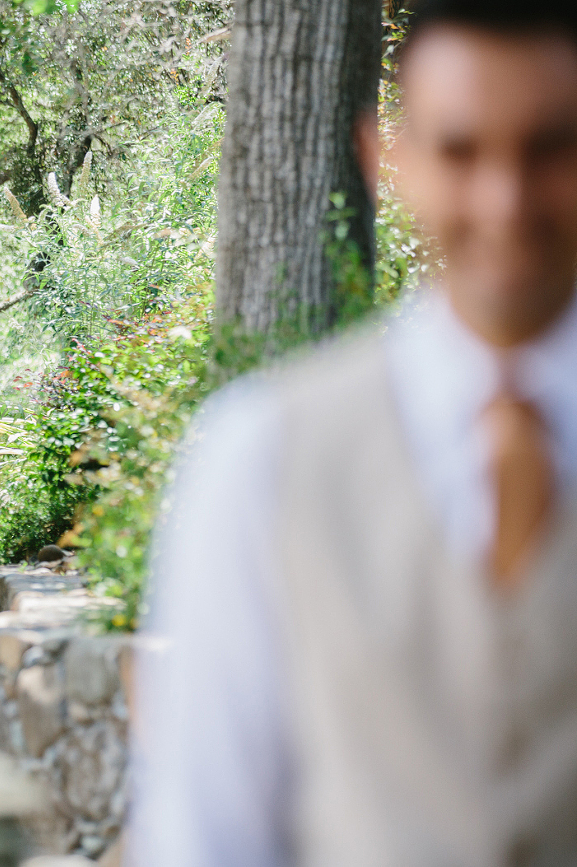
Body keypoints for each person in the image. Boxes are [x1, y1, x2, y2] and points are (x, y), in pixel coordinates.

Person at [133, 2, 577, 865]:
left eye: (548, 147)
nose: (505, 199)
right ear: (391, 162)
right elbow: (203, 832)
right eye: (460, 150)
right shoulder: (259, 451)